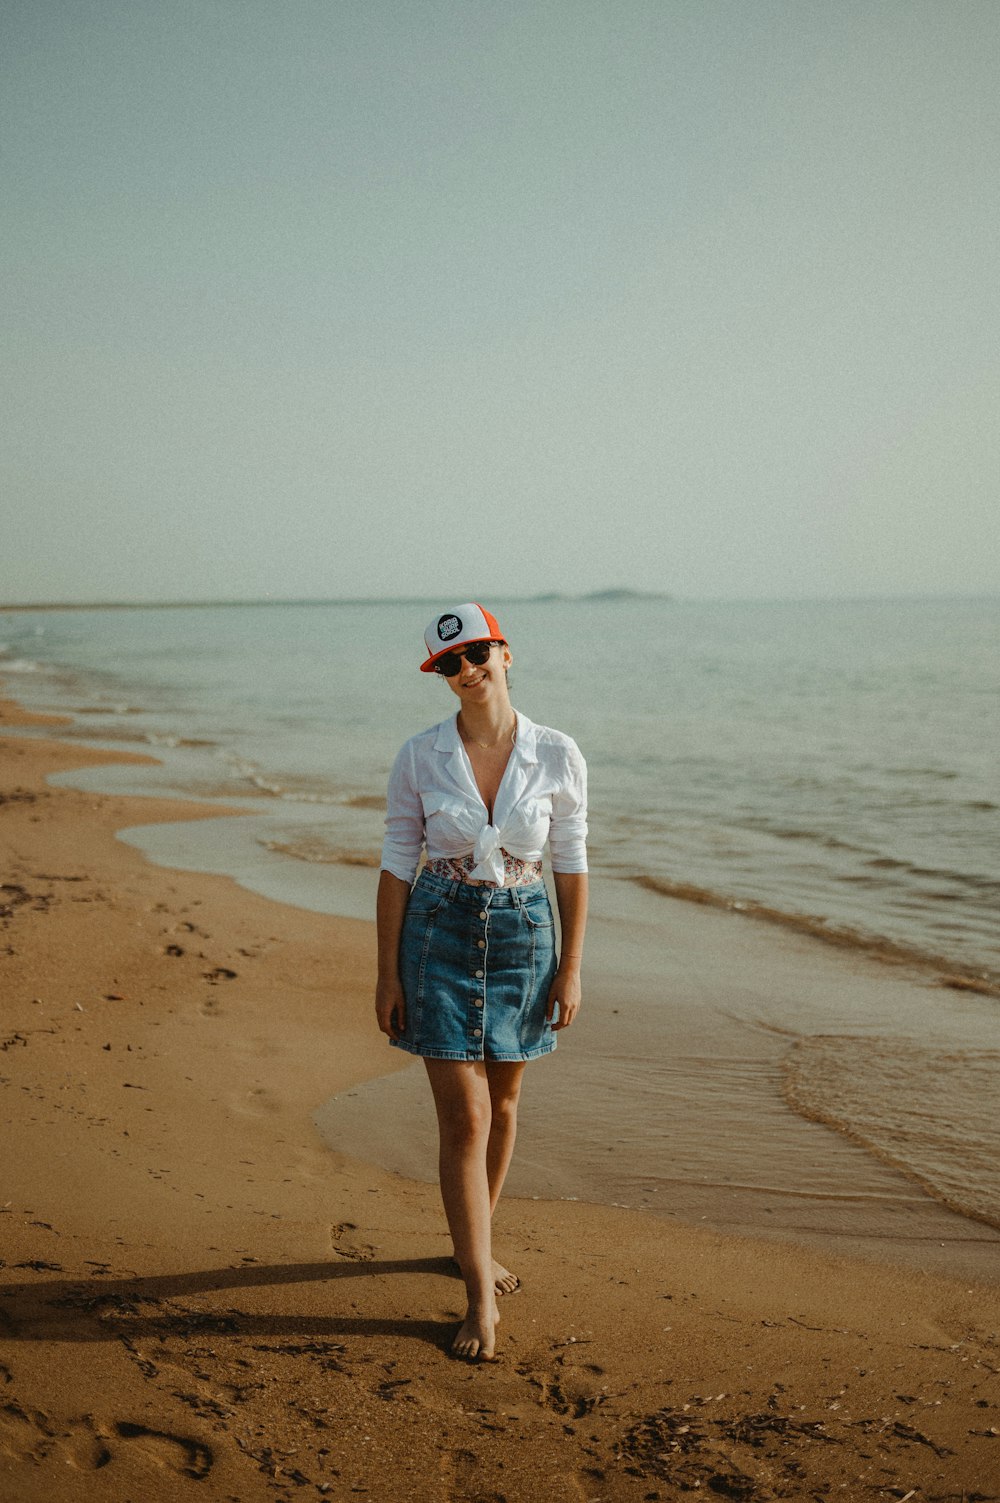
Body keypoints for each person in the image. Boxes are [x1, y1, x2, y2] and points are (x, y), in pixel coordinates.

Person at [375, 603, 589, 1361]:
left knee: (504, 1103)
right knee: (463, 1121)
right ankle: (477, 1299)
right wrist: (387, 971)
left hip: (526, 935)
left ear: (505, 652)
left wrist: (570, 966)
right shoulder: (420, 755)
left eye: (475, 655)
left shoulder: (559, 753)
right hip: (438, 933)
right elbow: (398, 863)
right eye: (449, 665)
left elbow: (571, 863)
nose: (466, 673)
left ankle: (475, 1241)